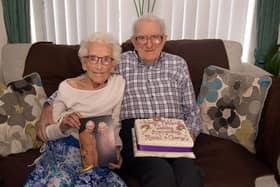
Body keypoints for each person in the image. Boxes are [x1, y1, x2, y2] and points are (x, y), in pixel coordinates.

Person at [37, 15, 203, 187]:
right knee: (160, 173)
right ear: (133, 41)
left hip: (173, 132)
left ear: (164, 39)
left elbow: (191, 110)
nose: (149, 43)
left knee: (189, 174)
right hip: (135, 132)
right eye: (141, 38)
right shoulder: (120, 62)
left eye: (155, 37)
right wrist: (49, 103)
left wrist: (188, 135)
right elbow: (89, 76)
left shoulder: (178, 64)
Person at [25, 32, 127, 187]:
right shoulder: (67, 87)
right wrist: (63, 125)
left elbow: (115, 122)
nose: (99, 66)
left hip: (96, 153)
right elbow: (47, 133)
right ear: (84, 63)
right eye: (93, 58)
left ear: (113, 64)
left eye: (106, 59)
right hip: (65, 150)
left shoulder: (118, 85)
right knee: (60, 182)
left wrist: (116, 149)